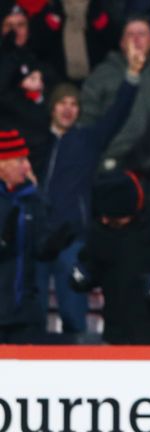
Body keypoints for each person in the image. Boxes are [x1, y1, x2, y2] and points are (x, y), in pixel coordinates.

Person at [36, 39, 145, 336]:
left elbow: (116, 115)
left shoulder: (86, 140)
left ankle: (76, 361)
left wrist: (132, 75)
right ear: (52, 107)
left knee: (73, 310)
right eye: (63, 103)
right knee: (30, 311)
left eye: (74, 104)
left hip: (72, 237)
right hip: (35, 235)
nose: (69, 109)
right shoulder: (36, 139)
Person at [71, 171, 150, 344]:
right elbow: (93, 266)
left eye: (111, 216)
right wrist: (82, 276)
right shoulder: (101, 231)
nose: (105, 220)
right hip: (118, 334)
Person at [80, 17, 150, 208]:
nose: (136, 39)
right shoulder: (103, 74)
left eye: (142, 34)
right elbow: (87, 120)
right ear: (122, 43)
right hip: (114, 168)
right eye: (130, 34)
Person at [0, 129, 43, 343]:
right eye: (19, 160)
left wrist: (53, 243)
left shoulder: (31, 199)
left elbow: (41, 248)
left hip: (24, 314)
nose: (27, 166)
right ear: (2, 164)